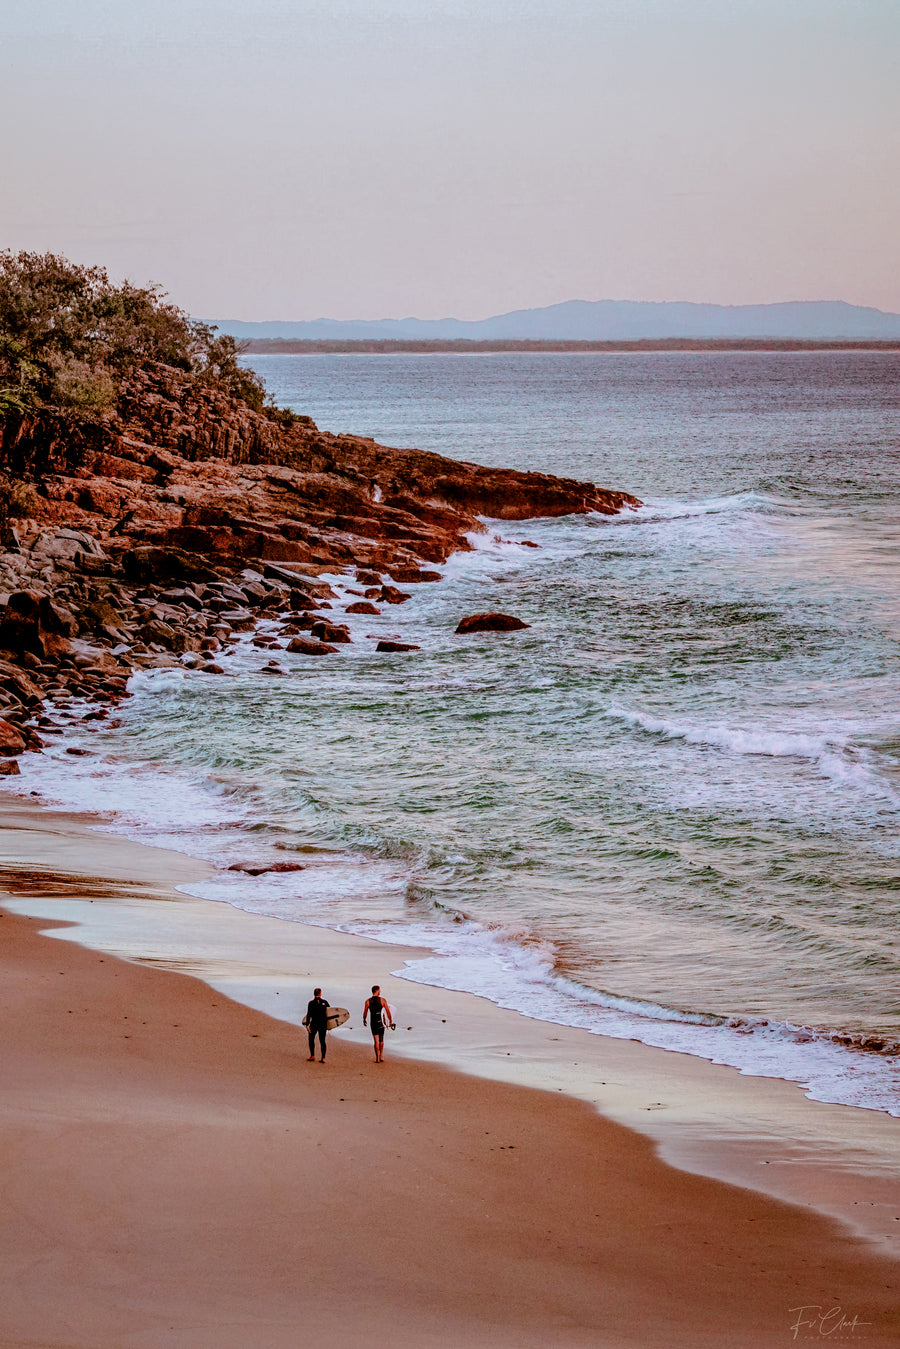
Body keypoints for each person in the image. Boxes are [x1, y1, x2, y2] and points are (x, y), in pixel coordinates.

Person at [363, 985, 394, 1063]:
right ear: (377, 991)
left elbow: (365, 1012)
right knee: (381, 1039)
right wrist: (390, 1020)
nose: (380, 992)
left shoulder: (367, 1001)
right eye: (379, 990)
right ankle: (381, 1056)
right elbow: (387, 1011)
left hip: (373, 1022)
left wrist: (364, 1020)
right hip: (381, 1022)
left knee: (376, 1040)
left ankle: (377, 1058)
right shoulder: (382, 1000)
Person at [304, 987, 330, 1062]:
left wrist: (307, 1025)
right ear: (320, 993)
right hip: (323, 1024)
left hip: (314, 1024)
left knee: (311, 1039)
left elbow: (308, 1015)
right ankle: (323, 1058)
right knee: (322, 1041)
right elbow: (330, 1014)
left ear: (314, 994)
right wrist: (330, 1025)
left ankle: (312, 1056)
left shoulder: (311, 1003)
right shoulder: (325, 1002)